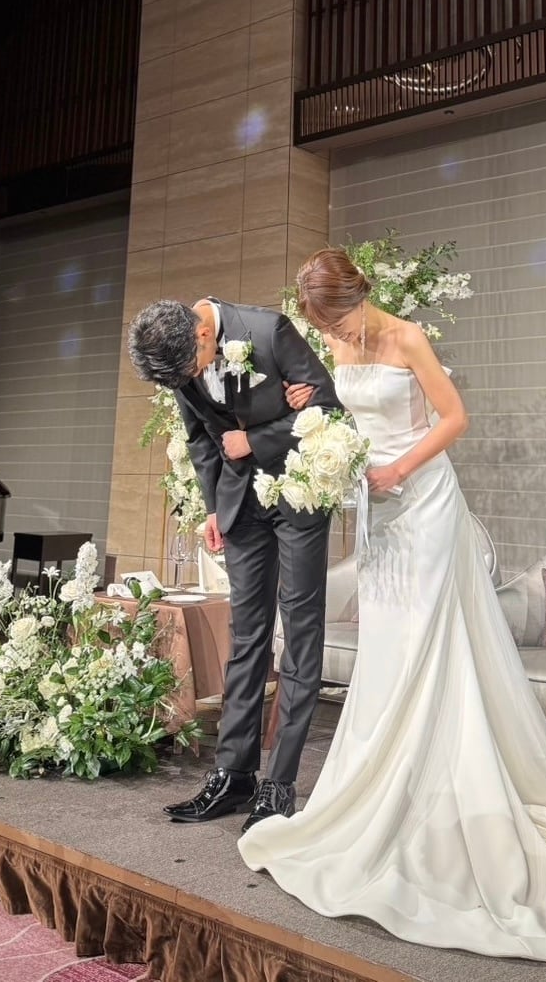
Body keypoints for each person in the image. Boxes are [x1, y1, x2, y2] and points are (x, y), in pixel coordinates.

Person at [238, 250, 546, 963]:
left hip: (424, 501)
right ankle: (382, 784)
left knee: (428, 637)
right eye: (323, 326)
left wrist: (400, 466)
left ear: (358, 296)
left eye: (336, 320)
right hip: (378, 512)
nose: (334, 334)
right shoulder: (337, 345)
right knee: (390, 643)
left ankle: (439, 783)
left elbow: (455, 418)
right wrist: (315, 410)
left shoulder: (407, 337)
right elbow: (344, 415)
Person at [127, 296, 341, 831]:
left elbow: (330, 410)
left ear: (202, 335)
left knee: (299, 634)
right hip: (241, 507)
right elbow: (200, 439)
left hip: (298, 495)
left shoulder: (270, 332)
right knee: (246, 636)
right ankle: (234, 774)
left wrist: (257, 439)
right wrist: (212, 508)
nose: (188, 381)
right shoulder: (176, 357)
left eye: (189, 371)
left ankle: (279, 783)